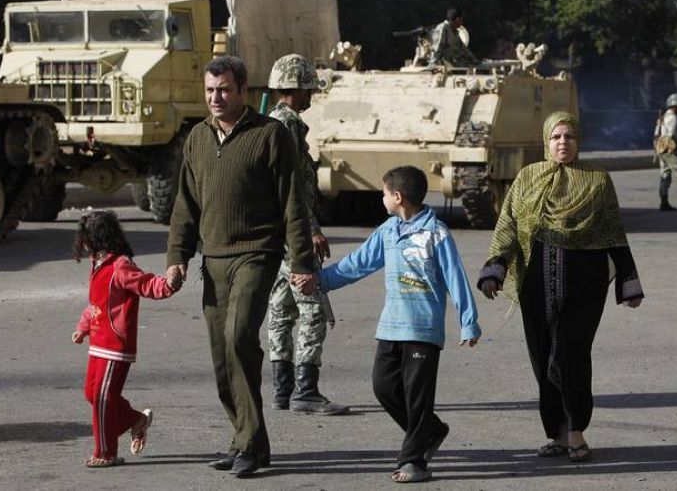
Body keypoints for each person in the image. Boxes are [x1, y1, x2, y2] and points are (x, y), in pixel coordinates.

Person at [165, 56, 316, 478]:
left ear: (243, 91)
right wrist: (177, 259)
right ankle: (248, 440)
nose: (216, 98)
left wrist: (302, 261)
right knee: (222, 356)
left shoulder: (270, 134)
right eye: (210, 90)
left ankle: (248, 443)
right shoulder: (197, 137)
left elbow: (292, 202)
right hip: (213, 259)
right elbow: (185, 205)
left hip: (256, 253)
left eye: (224, 90)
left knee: (238, 337)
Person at [294, 166, 481, 483]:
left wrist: (469, 322)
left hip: (423, 330)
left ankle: (414, 462)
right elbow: (356, 264)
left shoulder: (436, 234)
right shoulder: (388, 231)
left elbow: (456, 278)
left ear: (397, 197)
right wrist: (319, 280)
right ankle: (432, 431)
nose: (381, 199)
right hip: (391, 327)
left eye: (383, 194)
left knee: (418, 398)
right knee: (383, 387)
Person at [478, 111, 643, 463]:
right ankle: (556, 432)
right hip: (535, 284)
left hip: (585, 286)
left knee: (570, 353)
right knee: (542, 356)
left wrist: (629, 283)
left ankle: (576, 430)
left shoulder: (597, 180)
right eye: (556, 137)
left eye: (569, 136)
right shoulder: (528, 177)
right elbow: (508, 225)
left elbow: (613, 231)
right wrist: (495, 268)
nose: (562, 143)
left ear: (578, 140)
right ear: (546, 141)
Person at [265, 54, 348, 415]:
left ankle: (282, 389)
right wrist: (311, 229)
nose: (311, 95)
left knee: (281, 307)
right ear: (294, 89)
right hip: (293, 233)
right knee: (312, 307)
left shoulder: (269, 122)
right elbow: (292, 185)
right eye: (308, 89)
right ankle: (306, 390)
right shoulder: (289, 126)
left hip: (275, 232)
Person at [71, 210, 181, 468]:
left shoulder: (120, 266)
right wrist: (83, 327)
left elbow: (146, 284)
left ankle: (105, 452)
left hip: (115, 346)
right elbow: (96, 303)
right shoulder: (98, 265)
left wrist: (168, 284)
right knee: (93, 394)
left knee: (102, 398)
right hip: (98, 342)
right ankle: (134, 419)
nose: (83, 244)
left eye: (86, 238)